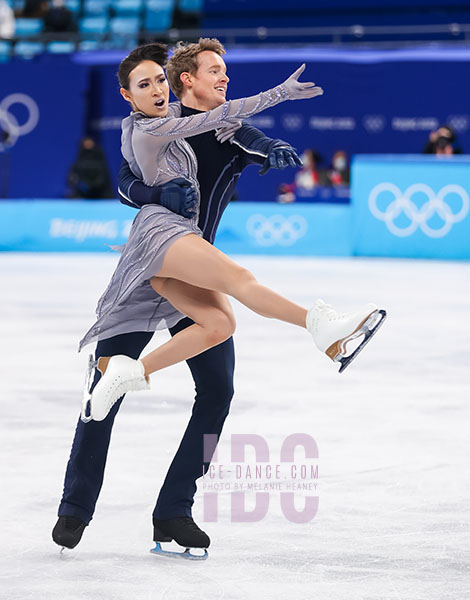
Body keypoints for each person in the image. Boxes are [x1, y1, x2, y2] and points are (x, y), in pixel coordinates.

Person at [53, 40, 385, 556]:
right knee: (101, 392)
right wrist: (149, 194)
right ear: (186, 80)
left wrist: (268, 144)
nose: (225, 78)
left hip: (194, 270)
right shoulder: (160, 121)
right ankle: (75, 508)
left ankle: (174, 510)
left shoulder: (224, 129)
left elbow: (245, 131)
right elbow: (124, 178)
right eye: (215, 71)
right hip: (150, 268)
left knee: (218, 390)